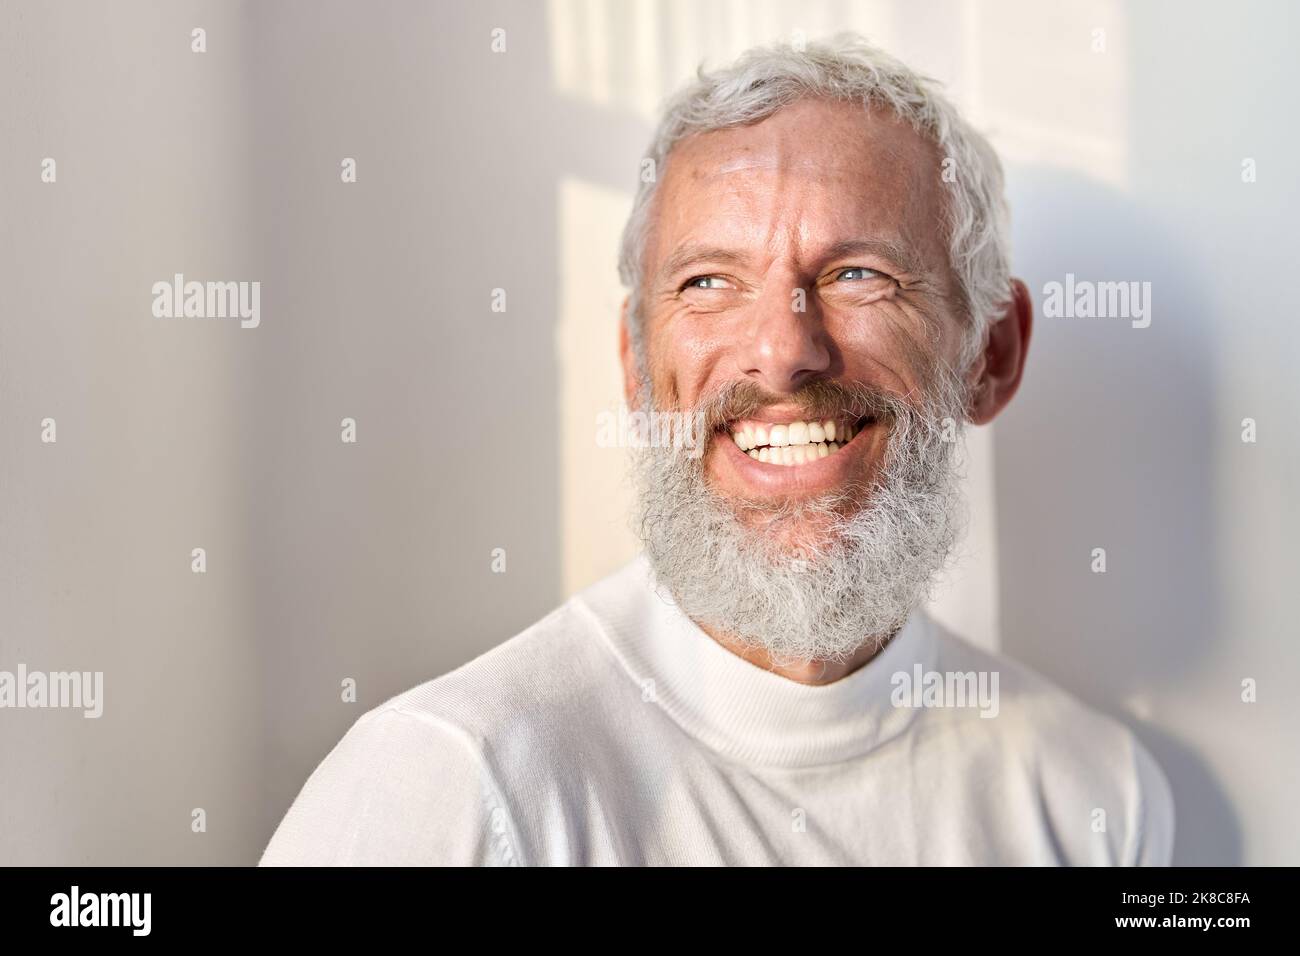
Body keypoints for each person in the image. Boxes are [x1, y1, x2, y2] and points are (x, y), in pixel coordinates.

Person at [261, 33, 1173, 866]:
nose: (783, 352)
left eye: (859, 274)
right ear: (635, 363)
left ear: (992, 354)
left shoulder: (1096, 795)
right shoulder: (453, 786)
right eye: (709, 282)